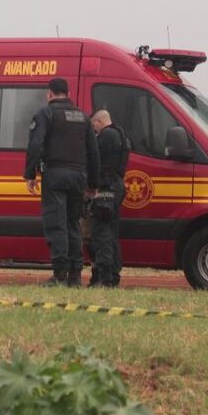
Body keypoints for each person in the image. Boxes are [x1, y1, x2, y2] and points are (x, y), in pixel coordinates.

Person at [24, 78, 100, 287]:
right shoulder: (83, 117)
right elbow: (93, 152)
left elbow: (35, 143)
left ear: (50, 93)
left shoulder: (46, 114)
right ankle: (75, 276)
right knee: (73, 224)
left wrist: (30, 174)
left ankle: (59, 275)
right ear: (67, 93)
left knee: (57, 224)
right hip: (79, 177)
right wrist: (93, 183)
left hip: (55, 175)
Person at [88, 109, 131, 288]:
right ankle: (113, 276)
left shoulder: (106, 136)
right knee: (112, 233)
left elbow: (94, 160)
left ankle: (104, 278)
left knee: (101, 234)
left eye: (94, 126)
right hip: (117, 186)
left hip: (105, 188)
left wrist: (91, 185)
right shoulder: (122, 136)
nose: (94, 130)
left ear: (99, 121)